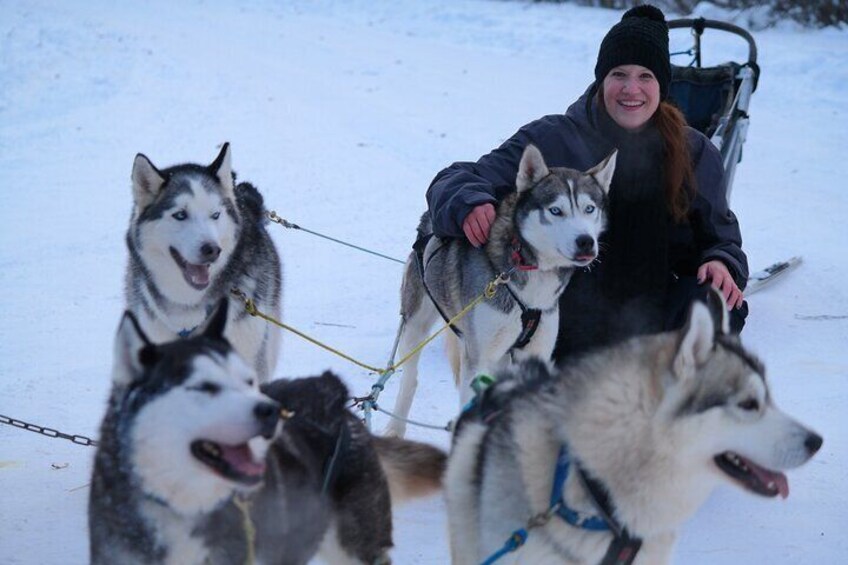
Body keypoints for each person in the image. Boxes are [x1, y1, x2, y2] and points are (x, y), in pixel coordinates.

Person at [425, 4, 748, 362]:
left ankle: (669, 376)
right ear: (601, 80)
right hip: (572, 317)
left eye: (645, 76)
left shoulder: (694, 151)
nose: (631, 89)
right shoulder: (555, 139)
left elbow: (721, 236)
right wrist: (469, 202)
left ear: (662, 86)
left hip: (657, 309)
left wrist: (721, 261)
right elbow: (457, 177)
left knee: (718, 304)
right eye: (619, 74)